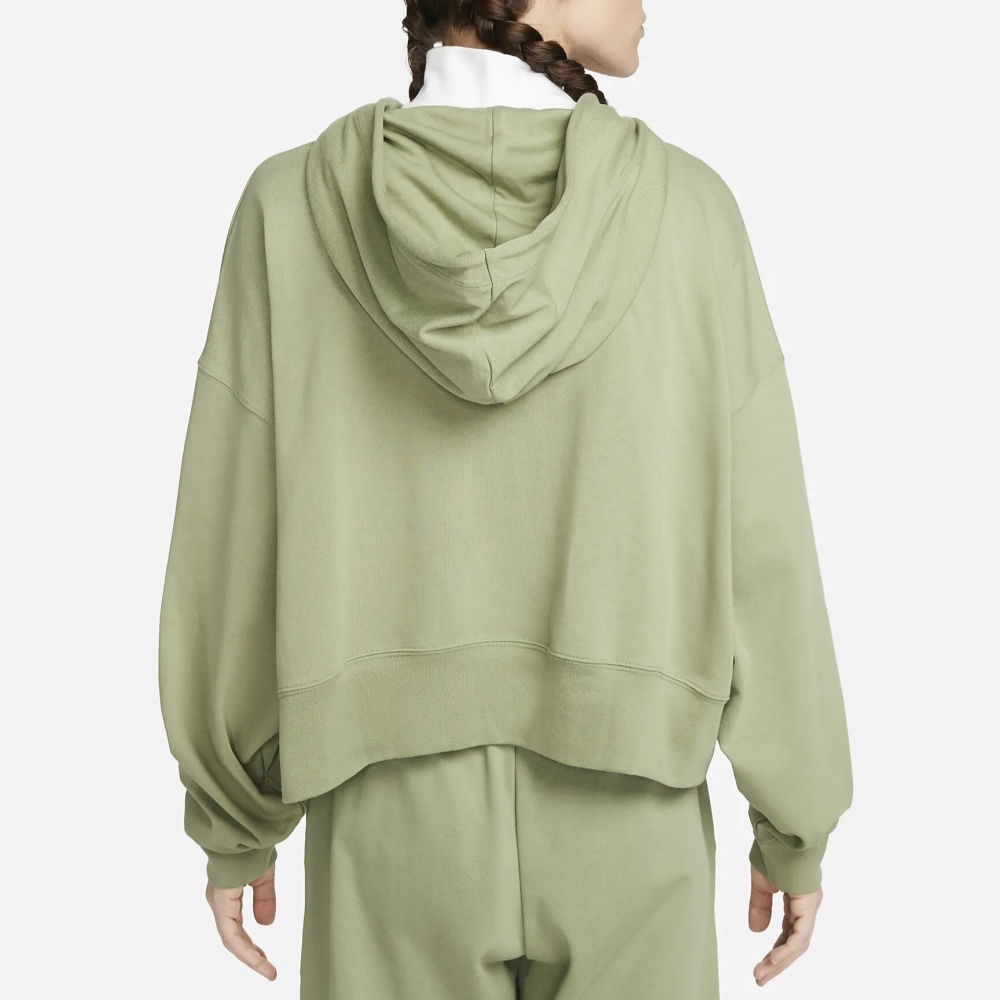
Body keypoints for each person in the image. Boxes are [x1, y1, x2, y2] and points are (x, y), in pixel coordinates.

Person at [157, 1, 853, 997]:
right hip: (633, 814)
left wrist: (235, 820)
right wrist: (796, 821)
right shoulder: (689, 213)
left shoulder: (291, 209)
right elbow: (761, 544)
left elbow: (232, 540)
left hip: (387, 821)